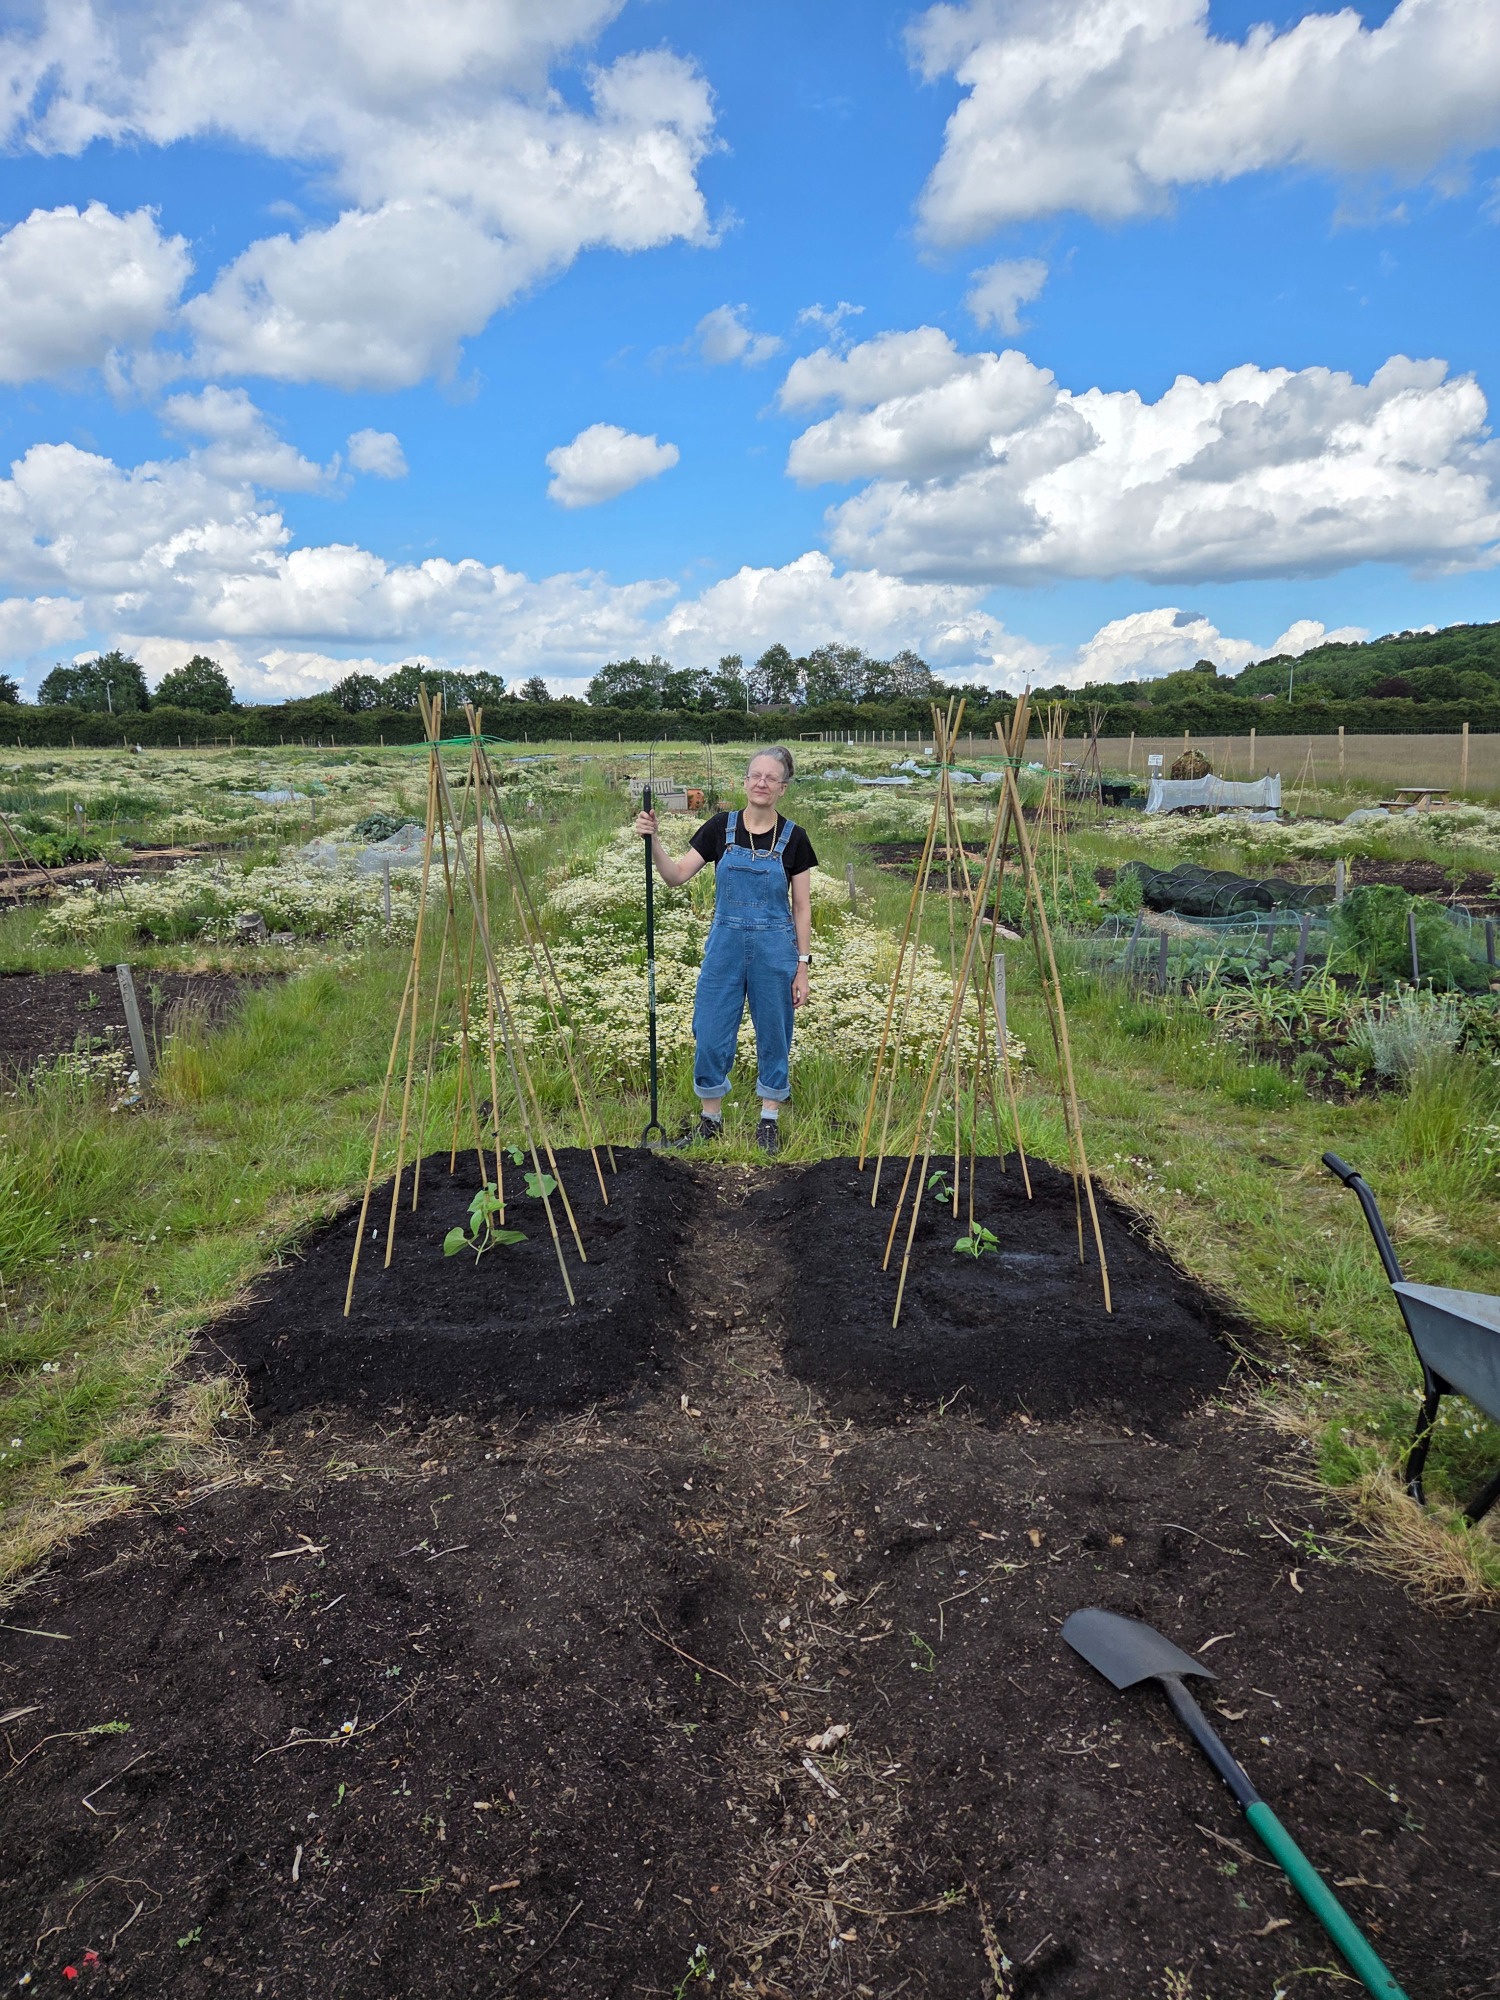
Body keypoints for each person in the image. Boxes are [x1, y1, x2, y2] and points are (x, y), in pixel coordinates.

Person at [634, 746, 816, 1153]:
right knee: (711, 1032)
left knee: (775, 1032)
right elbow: (676, 876)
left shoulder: (795, 839)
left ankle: (769, 1119)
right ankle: (710, 1120)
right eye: (756, 775)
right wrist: (654, 840)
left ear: (783, 788)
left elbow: (802, 907)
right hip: (724, 949)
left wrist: (802, 967)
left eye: (771, 778)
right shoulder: (720, 828)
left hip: (775, 951)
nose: (762, 783)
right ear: (745, 781)